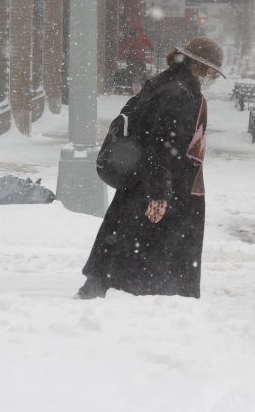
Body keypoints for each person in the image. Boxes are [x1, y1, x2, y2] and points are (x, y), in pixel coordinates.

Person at [77, 37, 225, 299]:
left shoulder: (165, 82)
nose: (212, 77)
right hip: (166, 185)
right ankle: (150, 297)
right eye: (212, 71)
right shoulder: (179, 93)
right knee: (155, 250)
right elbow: (162, 146)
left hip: (145, 181)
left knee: (128, 238)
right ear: (200, 67)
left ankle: (102, 285)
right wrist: (159, 193)